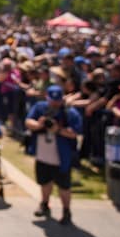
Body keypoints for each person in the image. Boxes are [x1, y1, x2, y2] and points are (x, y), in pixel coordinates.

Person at [25, 85, 82, 225]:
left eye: (58, 101)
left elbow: (75, 133)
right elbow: (28, 121)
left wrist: (58, 129)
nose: (55, 104)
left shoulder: (69, 112)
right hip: (43, 154)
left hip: (62, 156)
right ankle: (45, 204)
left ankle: (66, 211)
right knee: (44, 182)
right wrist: (39, 125)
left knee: (64, 186)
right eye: (52, 100)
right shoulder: (40, 108)